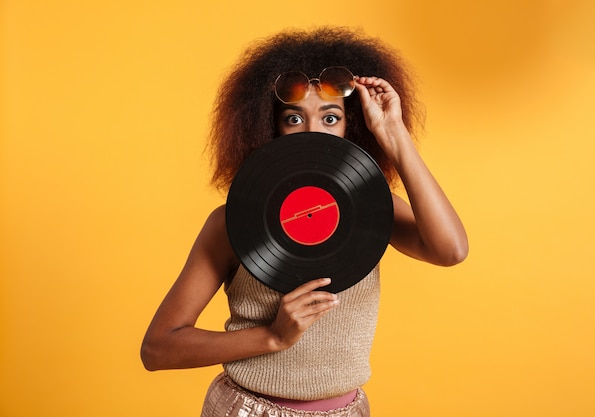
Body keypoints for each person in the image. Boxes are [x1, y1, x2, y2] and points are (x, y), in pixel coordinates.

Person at [141, 26, 468, 417]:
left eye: (330, 118)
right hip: (248, 410)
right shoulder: (230, 222)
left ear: (353, 127)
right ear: (269, 128)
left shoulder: (372, 206)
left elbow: (451, 250)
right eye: (294, 119)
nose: (314, 132)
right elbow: (159, 348)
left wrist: (394, 133)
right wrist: (272, 337)